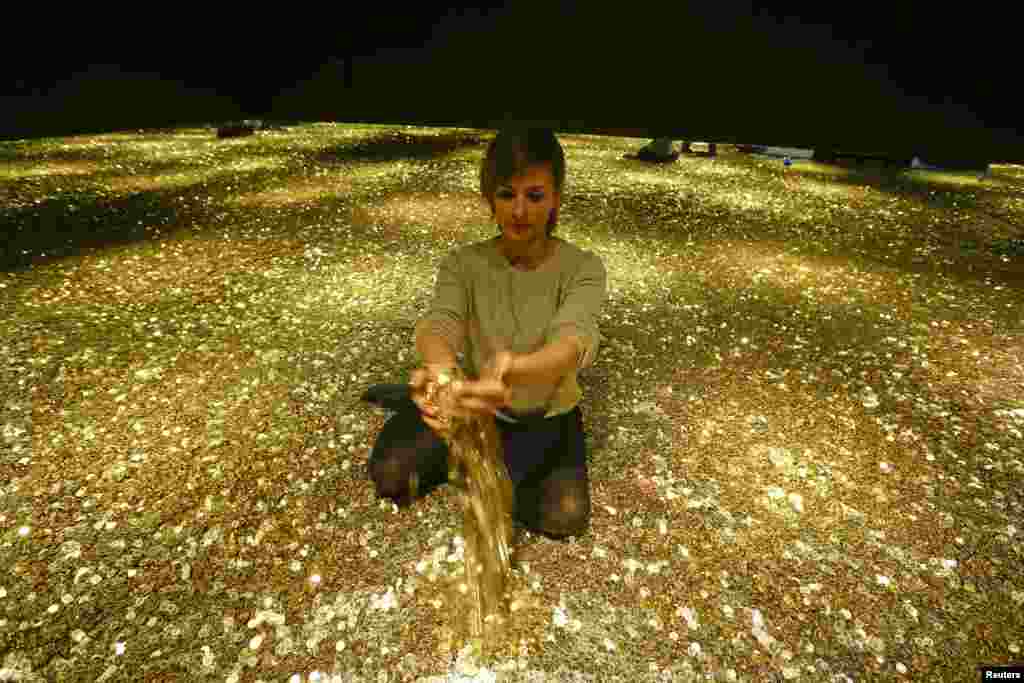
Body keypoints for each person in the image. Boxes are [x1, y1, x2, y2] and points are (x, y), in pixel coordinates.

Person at [366, 127, 608, 539]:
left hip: (544, 416)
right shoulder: (465, 263)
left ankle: (482, 463)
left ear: (555, 201)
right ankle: (423, 418)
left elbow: (573, 341)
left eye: (534, 196)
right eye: (506, 194)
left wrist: (517, 369)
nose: (519, 211)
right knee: (390, 476)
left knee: (564, 517)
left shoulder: (582, 267)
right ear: (488, 199)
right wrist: (442, 369)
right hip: (477, 409)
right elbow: (440, 322)